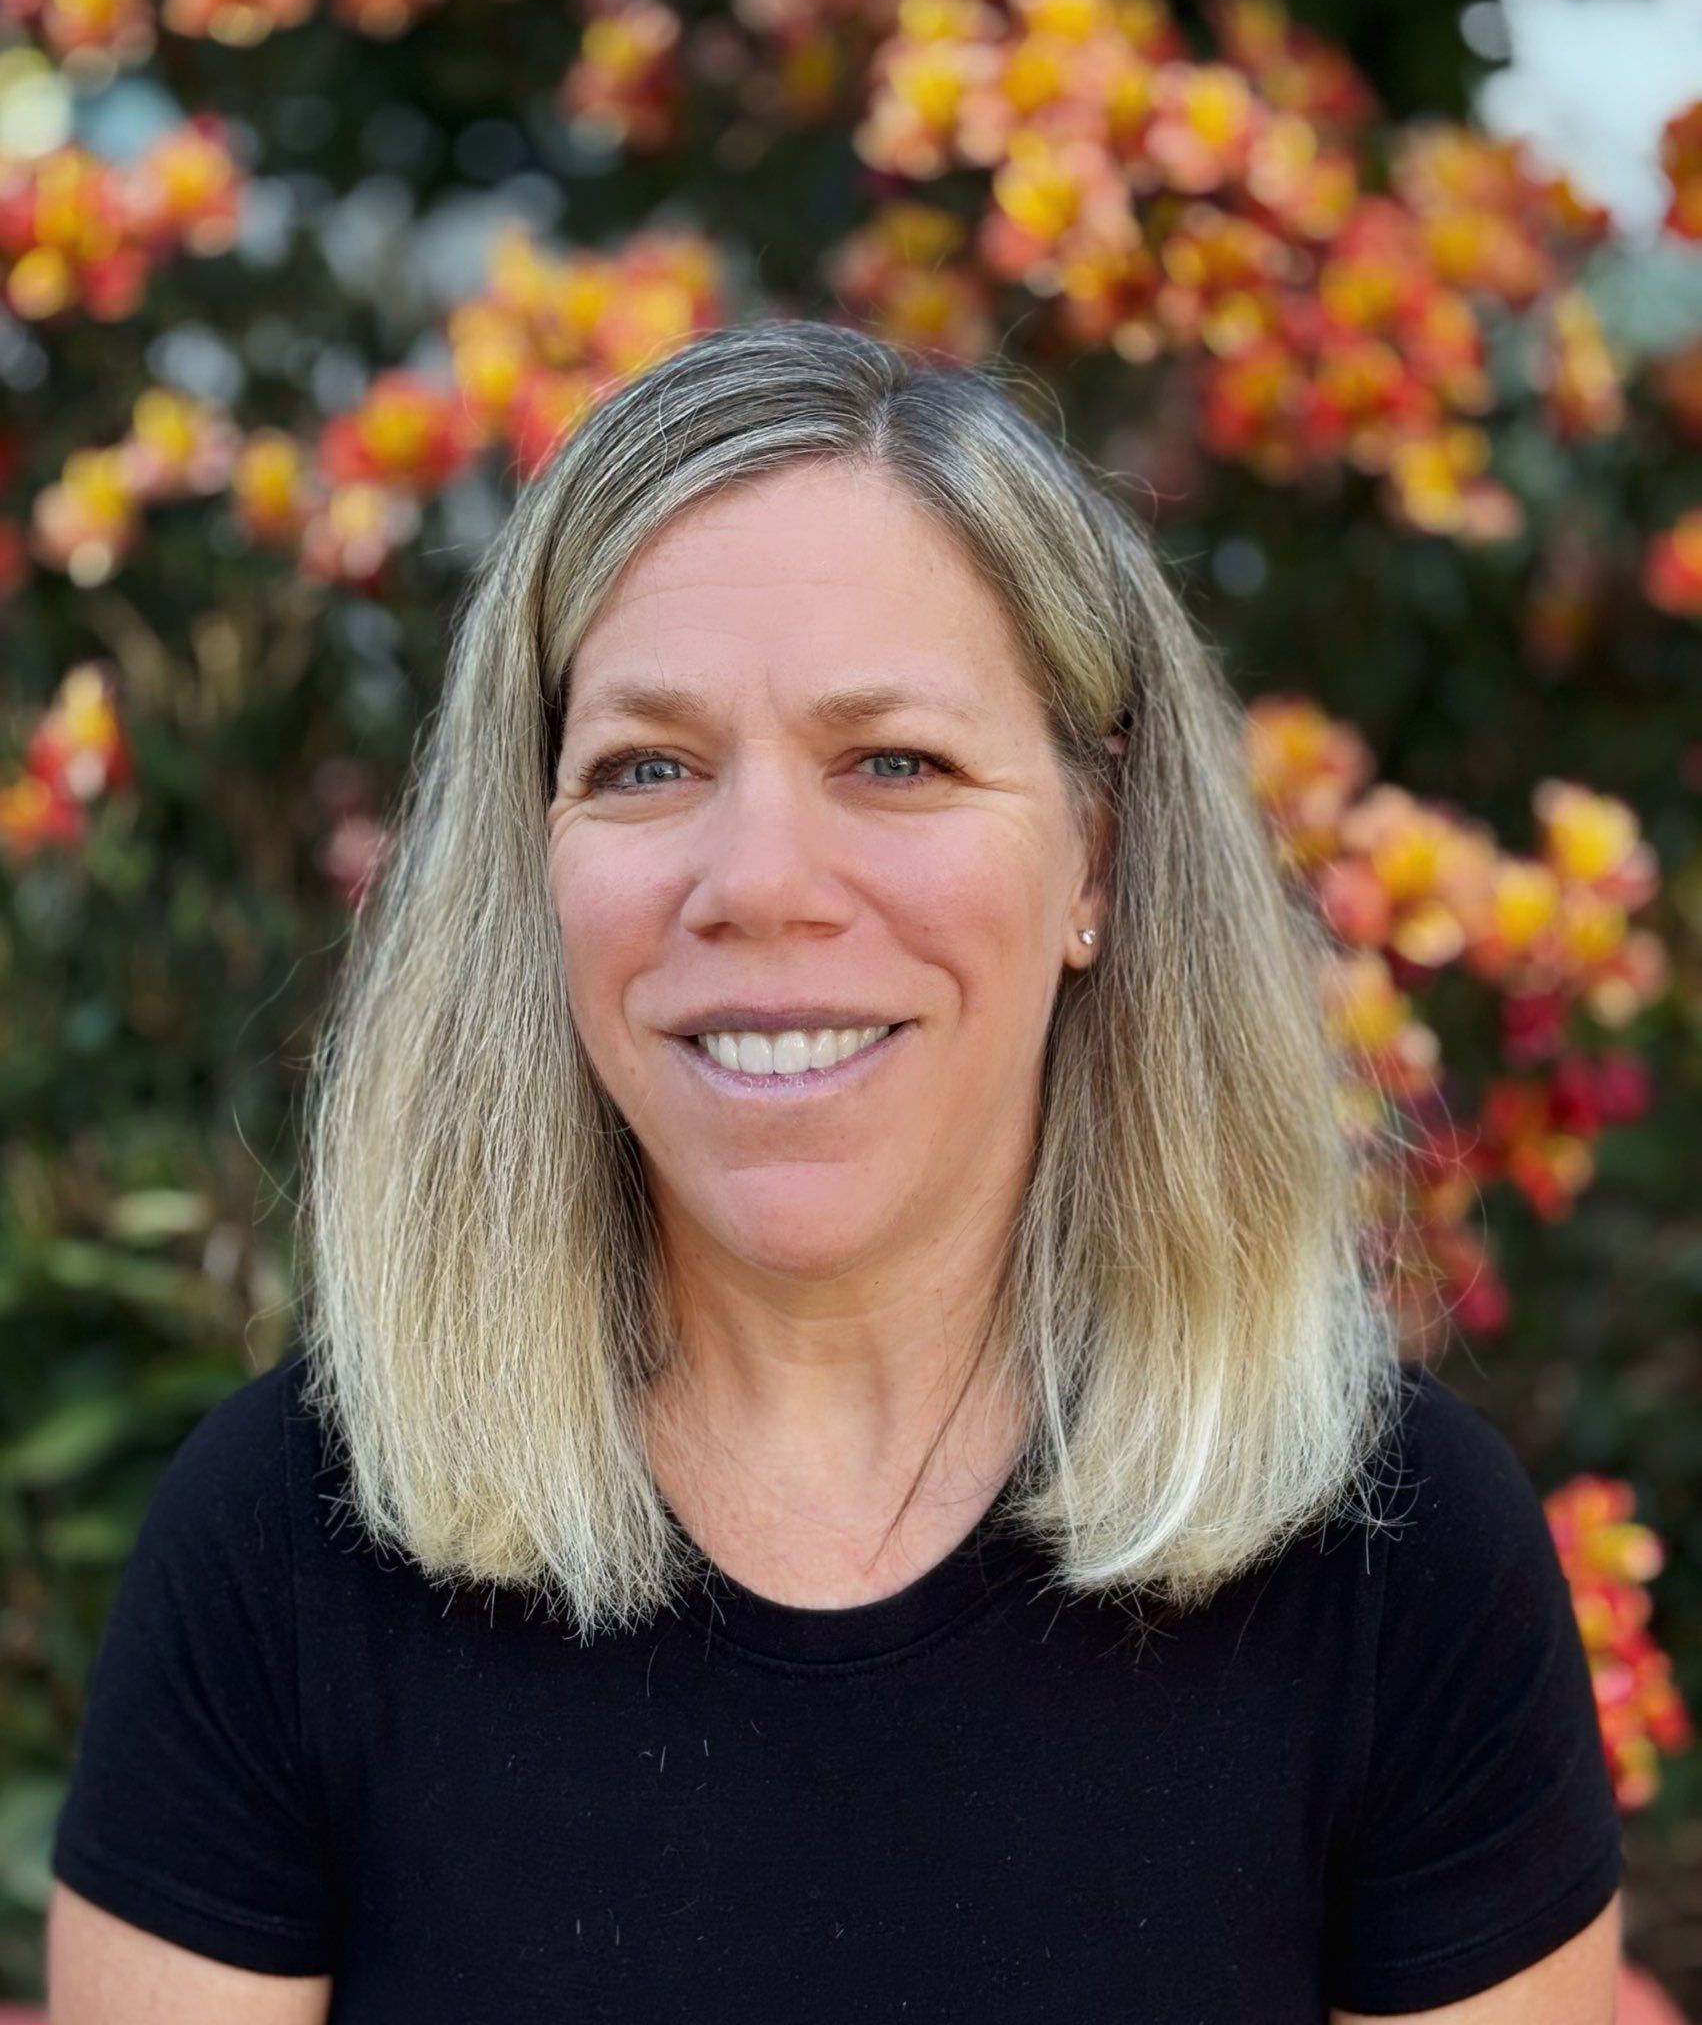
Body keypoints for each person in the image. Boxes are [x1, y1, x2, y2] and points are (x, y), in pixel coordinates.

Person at [46, 319, 1623, 2023]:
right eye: (646, 767)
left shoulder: (1397, 1563)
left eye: (895, 762)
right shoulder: (283, 1545)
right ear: (538, 860)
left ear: (1094, 852)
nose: (760, 881)